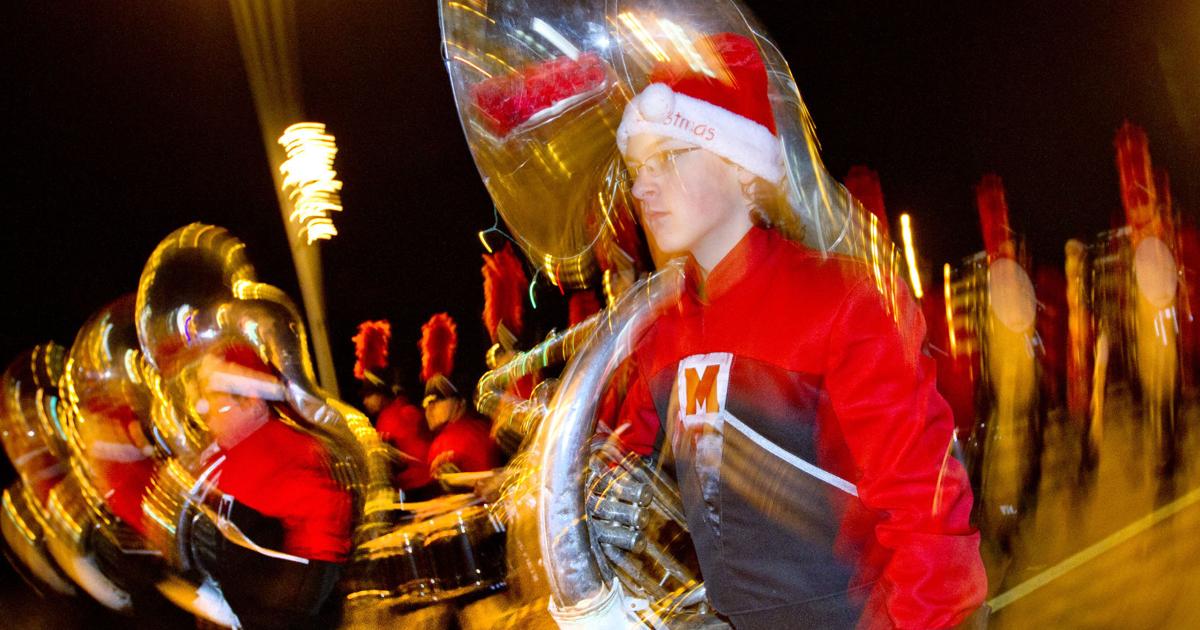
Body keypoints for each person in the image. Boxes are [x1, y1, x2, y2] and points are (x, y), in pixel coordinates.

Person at [604, 32, 986, 629]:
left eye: (670, 158)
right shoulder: (659, 336)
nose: (642, 187)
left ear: (743, 169)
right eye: (637, 168)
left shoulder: (843, 301)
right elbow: (617, 469)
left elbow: (930, 524)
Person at [189, 343, 352, 629]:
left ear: (252, 402)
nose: (205, 409)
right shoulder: (216, 457)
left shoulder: (287, 449)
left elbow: (323, 529)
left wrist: (287, 605)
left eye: (215, 398)